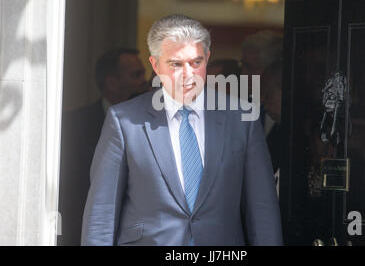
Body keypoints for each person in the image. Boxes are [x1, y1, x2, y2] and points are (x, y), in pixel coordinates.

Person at [81, 14, 283, 246]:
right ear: (156, 65)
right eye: (176, 64)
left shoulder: (242, 119)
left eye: (196, 62)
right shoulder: (124, 120)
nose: (188, 75)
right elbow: (102, 213)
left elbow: (262, 209)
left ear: (207, 59)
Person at [58, 48, 146, 246]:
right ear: (111, 83)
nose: (144, 80)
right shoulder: (74, 124)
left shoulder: (154, 123)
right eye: (136, 75)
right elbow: (69, 189)